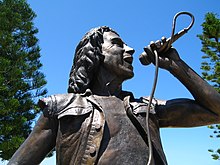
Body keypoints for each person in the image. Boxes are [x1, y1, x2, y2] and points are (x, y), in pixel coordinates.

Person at [8, 26, 220, 165]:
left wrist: (175, 65)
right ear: (95, 53)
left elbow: (216, 111)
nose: (131, 49)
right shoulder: (60, 107)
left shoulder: (148, 107)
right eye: (118, 44)